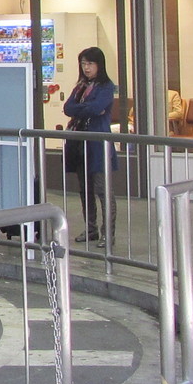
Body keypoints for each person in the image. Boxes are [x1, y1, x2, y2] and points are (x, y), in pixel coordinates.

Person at [61, 46, 117, 243]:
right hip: (79, 143)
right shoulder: (80, 86)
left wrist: (82, 109)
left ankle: (108, 233)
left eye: (90, 64)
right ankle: (90, 228)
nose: (86, 68)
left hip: (98, 144)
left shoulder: (106, 86)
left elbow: (98, 108)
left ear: (99, 65)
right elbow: (68, 108)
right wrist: (83, 109)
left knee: (102, 189)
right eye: (83, 64)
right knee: (85, 190)